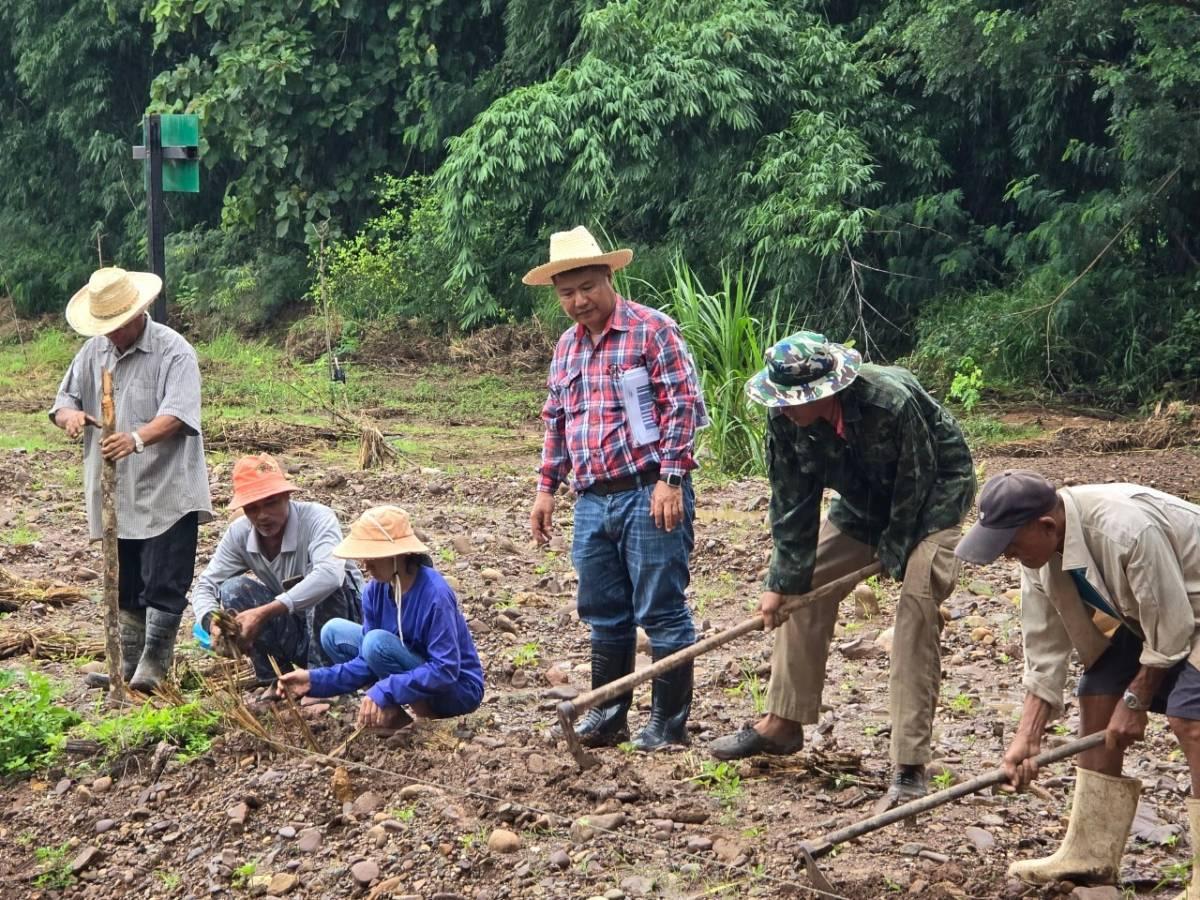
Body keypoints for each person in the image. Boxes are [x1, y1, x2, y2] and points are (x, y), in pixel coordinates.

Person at [709, 331, 976, 810]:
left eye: (796, 400)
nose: (786, 407)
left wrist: (898, 557)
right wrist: (780, 583)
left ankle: (909, 761)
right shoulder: (785, 422)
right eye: (781, 399)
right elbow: (792, 505)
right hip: (862, 504)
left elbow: (916, 483)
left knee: (916, 606)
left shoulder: (889, 401)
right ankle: (784, 723)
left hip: (933, 499)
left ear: (829, 391)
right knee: (804, 589)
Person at [956, 470, 1200, 890]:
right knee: (1099, 691)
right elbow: (1045, 645)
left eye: (1011, 546)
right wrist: (1027, 735)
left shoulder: (1125, 531)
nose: (1007, 556)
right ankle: (1090, 854)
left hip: (1183, 612)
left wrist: (1137, 702)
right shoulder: (1039, 555)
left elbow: (1174, 628)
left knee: (1190, 720)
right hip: (1161, 614)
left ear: (1045, 526)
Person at [526, 226, 704, 752]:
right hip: (591, 498)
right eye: (566, 292)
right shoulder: (566, 347)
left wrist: (671, 477)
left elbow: (684, 406)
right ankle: (608, 714)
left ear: (609, 277)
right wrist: (546, 489)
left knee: (662, 609)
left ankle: (668, 724)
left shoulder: (652, 330)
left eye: (587, 286)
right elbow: (556, 421)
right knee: (603, 611)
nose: (578, 300)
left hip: (649, 489)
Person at [50, 267, 213, 692]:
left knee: (163, 579)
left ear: (137, 314)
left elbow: (178, 414)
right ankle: (126, 665)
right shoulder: (93, 353)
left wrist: (136, 439)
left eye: (116, 326)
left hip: (166, 489)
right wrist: (70, 419)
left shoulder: (173, 351)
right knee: (125, 581)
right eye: (104, 328)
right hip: (116, 493)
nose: (111, 335)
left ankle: (154, 667)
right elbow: (62, 402)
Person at [277, 506, 484, 728]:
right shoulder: (375, 590)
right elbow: (365, 662)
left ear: (399, 555)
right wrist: (314, 681)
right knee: (333, 632)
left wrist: (385, 688)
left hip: (457, 690)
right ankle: (393, 712)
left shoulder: (435, 595)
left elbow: (446, 669)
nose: (366, 565)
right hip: (410, 664)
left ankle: (427, 719)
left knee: (376, 643)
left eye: (373, 556)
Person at [190, 454, 364, 684]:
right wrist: (212, 623)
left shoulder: (317, 518)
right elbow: (206, 585)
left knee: (325, 584)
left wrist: (264, 612)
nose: (262, 516)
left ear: (287, 496)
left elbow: (330, 575)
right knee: (234, 589)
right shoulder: (239, 533)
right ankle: (275, 679)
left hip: (343, 634)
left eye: (271, 503)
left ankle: (323, 681)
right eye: (252, 508)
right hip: (296, 628)